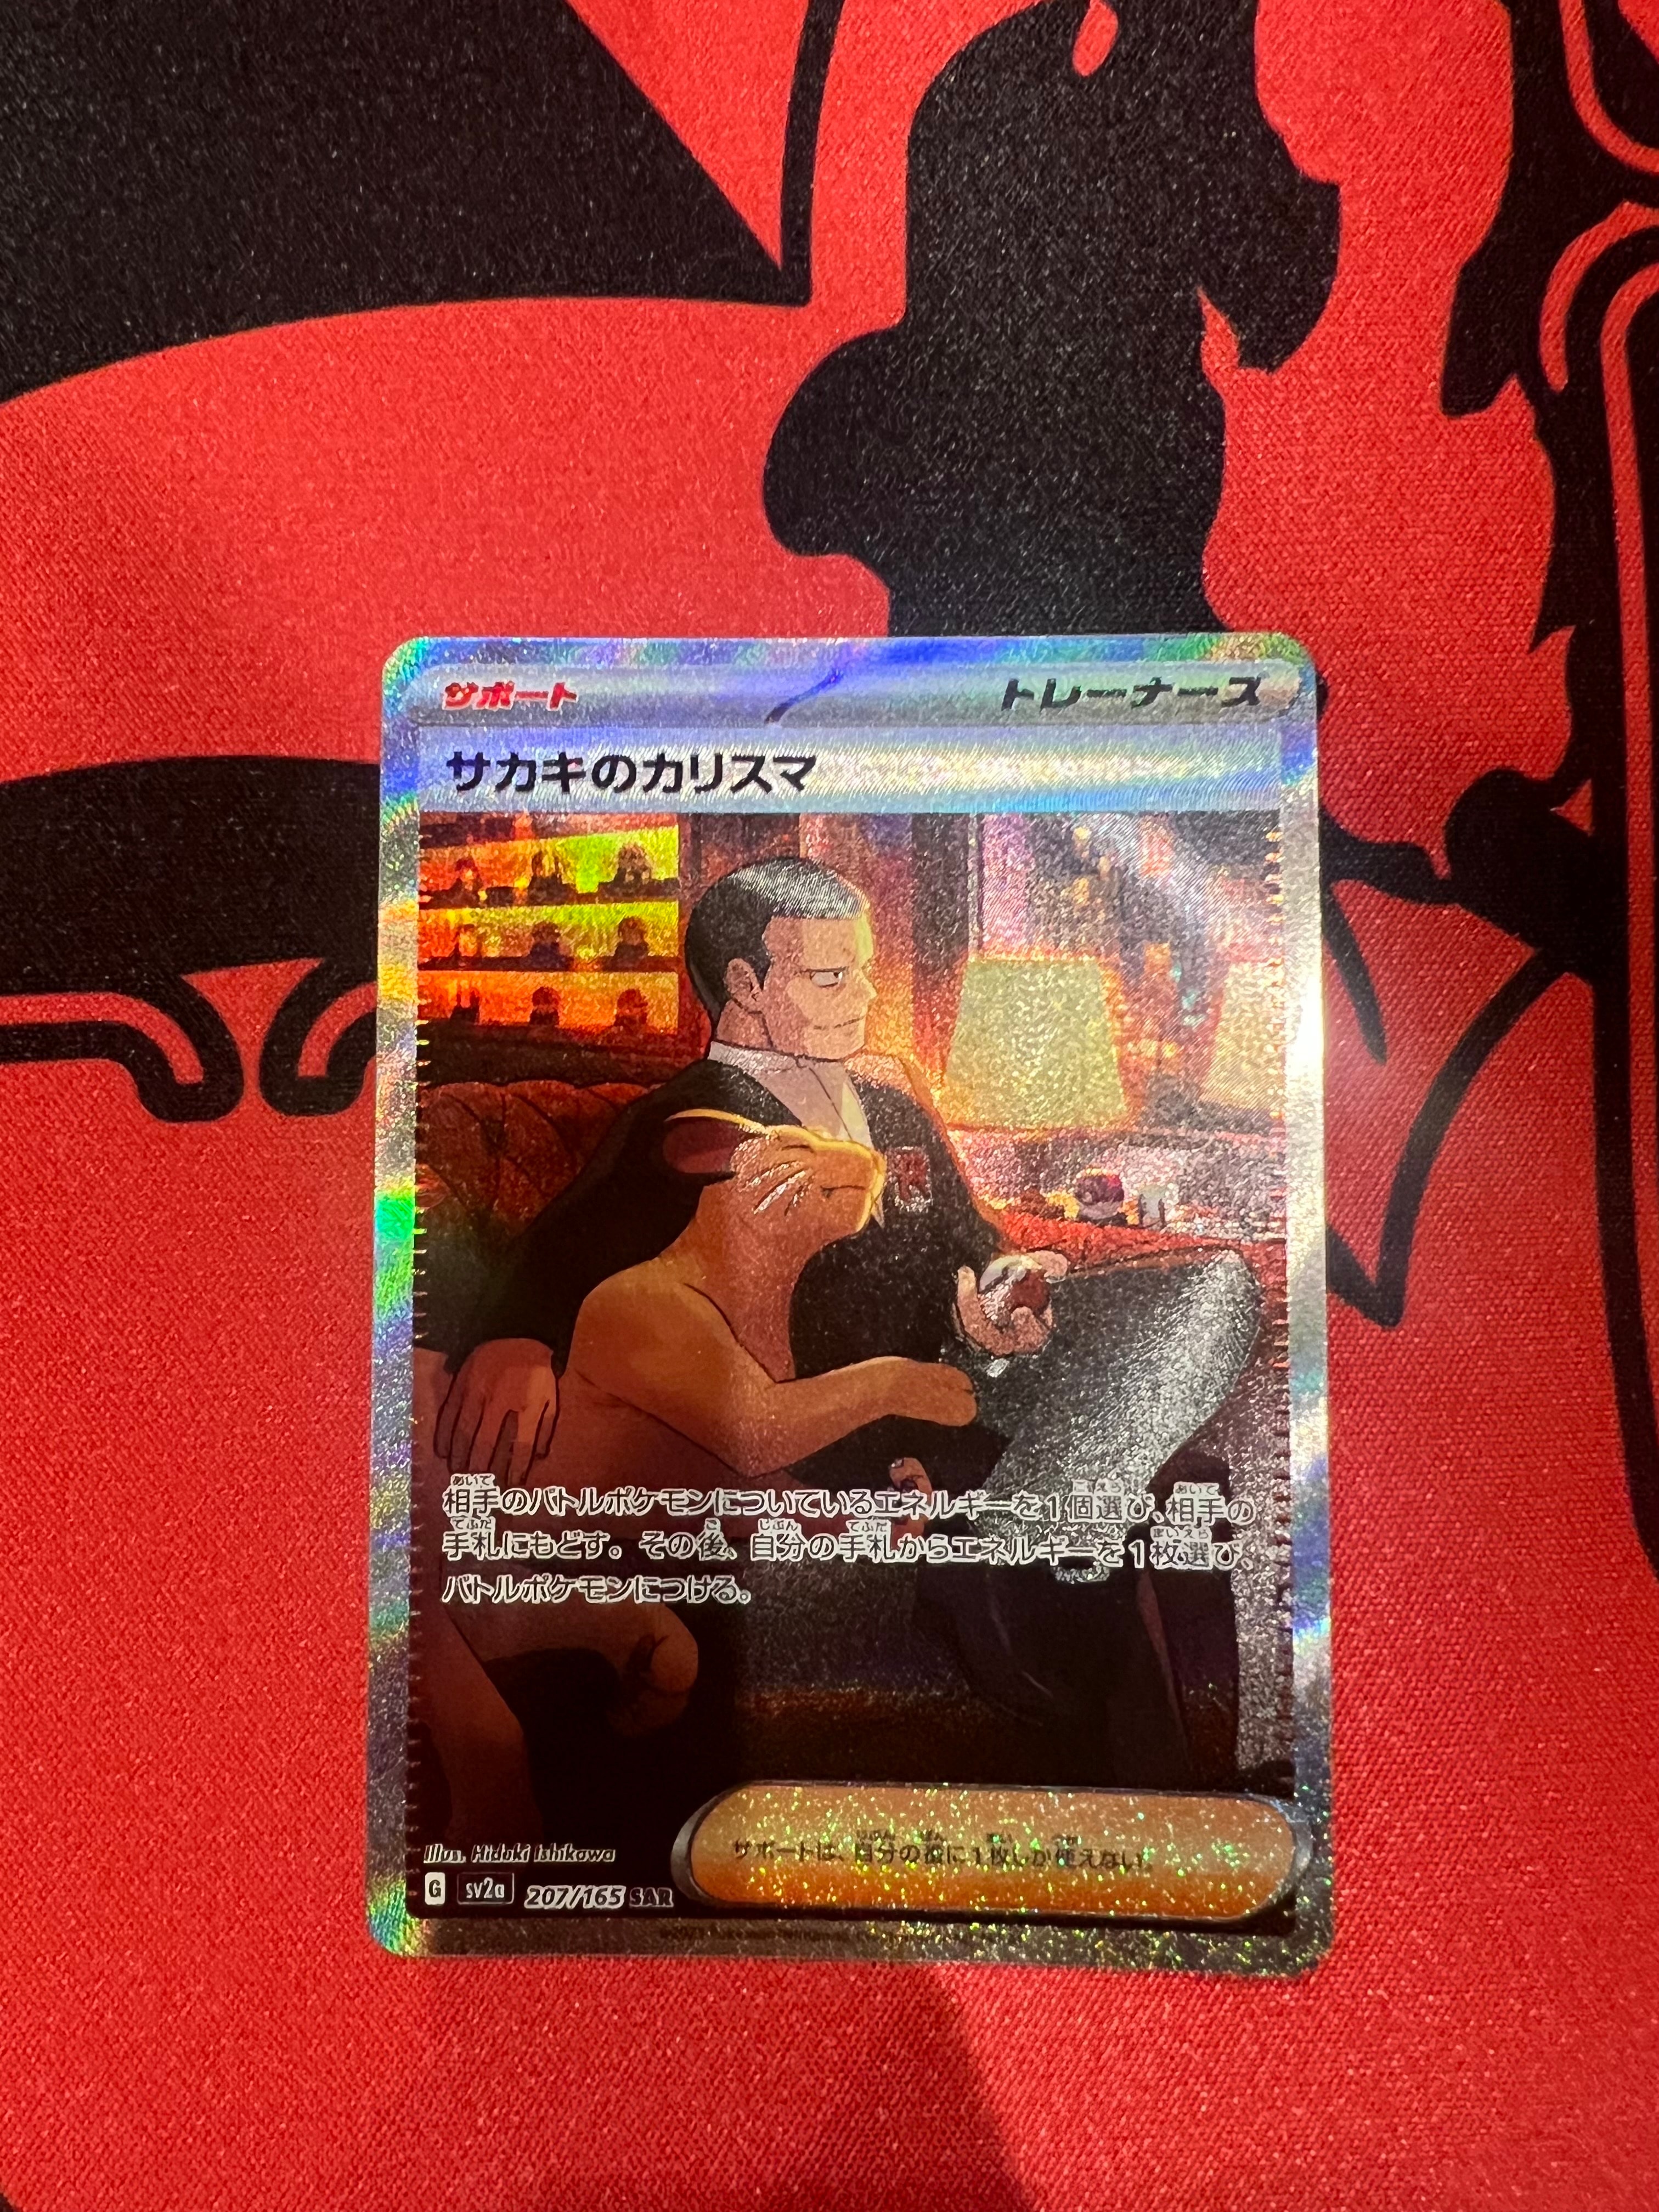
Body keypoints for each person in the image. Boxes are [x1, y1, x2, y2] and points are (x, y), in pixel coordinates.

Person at [435, 857, 1261, 1775]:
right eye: (833, 976)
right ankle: (1035, 1560)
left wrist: (1008, 1284)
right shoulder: (687, 1121)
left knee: (1216, 1289)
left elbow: (976, 1239)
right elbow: (568, 1242)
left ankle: (1011, 1540)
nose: (865, 995)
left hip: (981, 1365)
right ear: (747, 985)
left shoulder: (892, 1107)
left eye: (862, 969)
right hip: (865, 1424)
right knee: (1110, 1515)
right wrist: (515, 1335)